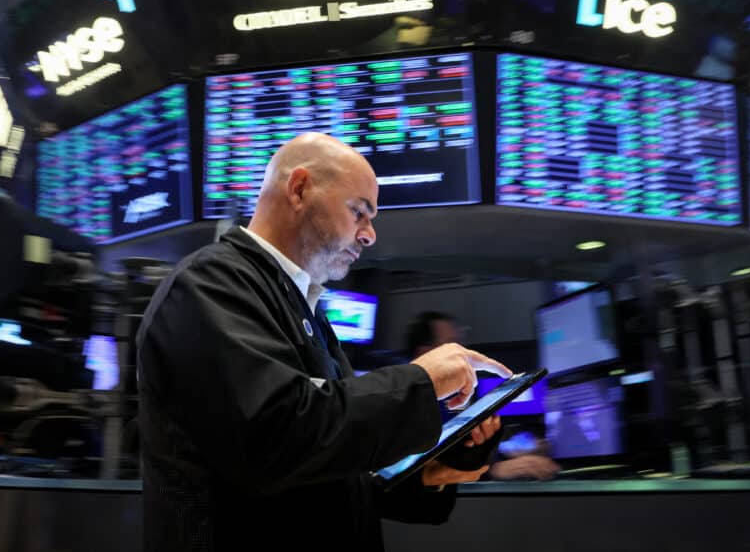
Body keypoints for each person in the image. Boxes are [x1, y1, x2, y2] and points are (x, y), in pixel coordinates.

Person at [137, 132, 512, 552]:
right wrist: (419, 383)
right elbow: (275, 439)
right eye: (359, 212)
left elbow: (327, 469)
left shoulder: (304, 308)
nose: (369, 235)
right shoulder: (207, 283)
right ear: (299, 189)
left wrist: (427, 472)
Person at [405, 311, 559, 482]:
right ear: (424, 355)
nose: (463, 355)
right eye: (451, 347)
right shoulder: (406, 408)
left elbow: (455, 454)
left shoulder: (448, 399)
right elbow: (411, 475)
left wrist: (505, 453)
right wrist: (493, 471)